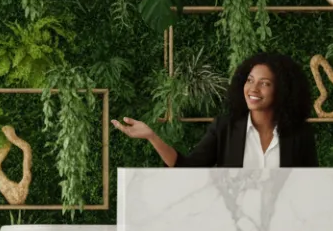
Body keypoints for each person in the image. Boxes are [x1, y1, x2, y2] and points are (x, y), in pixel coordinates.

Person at [113, 52, 318, 168]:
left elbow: (311, 186)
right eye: (249, 80)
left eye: (264, 83)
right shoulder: (224, 128)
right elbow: (188, 168)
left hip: (283, 226)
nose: (253, 89)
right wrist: (152, 137)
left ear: (282, 90)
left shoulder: (300, 134)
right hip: (234, 226)